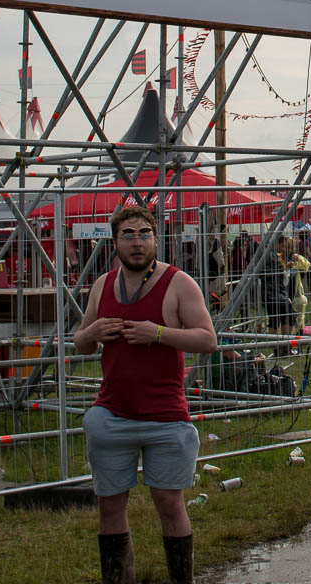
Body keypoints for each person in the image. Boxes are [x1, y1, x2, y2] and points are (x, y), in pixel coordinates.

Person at [75, 204, 219, 583]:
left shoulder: (179, 283)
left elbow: (207, 339)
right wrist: (91, 334)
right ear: (115, 242)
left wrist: (157, 333)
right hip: (112, 415)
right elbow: (82, 342)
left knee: (169, 503)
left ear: (155, 239)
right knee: (109, 505)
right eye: (128, 235)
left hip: (166, 418)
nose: (137, 243)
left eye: (144, 234)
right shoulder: (102, 286)